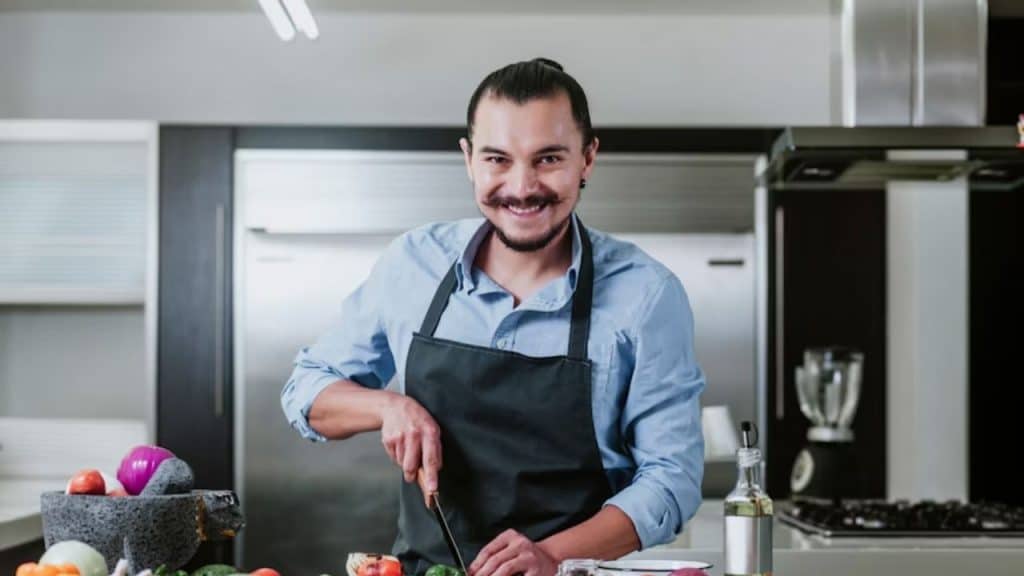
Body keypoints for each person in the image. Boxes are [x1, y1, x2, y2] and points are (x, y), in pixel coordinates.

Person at [282, 58, 705, 576]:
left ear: (588, 158)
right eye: (497, 159)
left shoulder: (646, 296)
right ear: (469, 160)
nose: (521, 187)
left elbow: (672, 480)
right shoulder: (414, 264)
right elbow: (307, 389)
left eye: (548, 159)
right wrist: (388, 407)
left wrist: (552, 555)